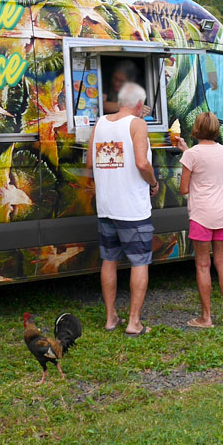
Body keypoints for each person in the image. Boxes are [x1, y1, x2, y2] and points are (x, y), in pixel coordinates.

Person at [86, 82, 159, 335]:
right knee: (139, 262)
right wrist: (153, 181)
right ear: (140, 105)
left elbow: (89, 162)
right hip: (132, 208)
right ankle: (133, 322)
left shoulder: (100, 123)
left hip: (106, 206)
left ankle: (110, 318)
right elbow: (142, 162)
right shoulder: (138, 124)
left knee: (109, 260)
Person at [171, 112, 223, 328]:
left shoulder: (192, 156)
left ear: (196, 128)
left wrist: (186, 155)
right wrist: (187, 151)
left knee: (202, 264)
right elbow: (206, 162)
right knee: (222, 262)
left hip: (202, 214)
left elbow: (183, 189)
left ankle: (206, 318)